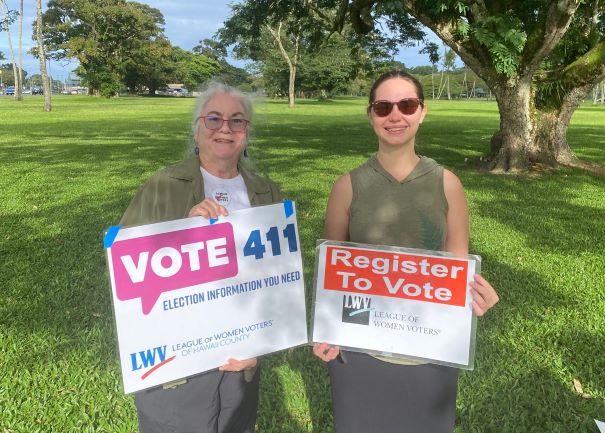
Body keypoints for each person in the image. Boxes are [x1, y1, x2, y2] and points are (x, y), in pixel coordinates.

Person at [313, 70, 499, 433]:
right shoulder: (347, 186)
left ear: (422, 112)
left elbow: (456, 268)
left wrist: (474, 294)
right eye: (383, 107)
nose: (395, 115)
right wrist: (327, 328)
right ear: (371, 115)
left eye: (407, 104)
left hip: (429, 349)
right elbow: (332, 275)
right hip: (361, 349)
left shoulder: (448, 184)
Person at [120, 81, 282, 433]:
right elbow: (125, 272)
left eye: (237, 120)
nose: (226, 128)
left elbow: (278, 275)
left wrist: (262, 341)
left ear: (247, 132)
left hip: (240, 356)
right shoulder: (162, 185)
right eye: (214, 118)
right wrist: (181, 235)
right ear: (197, 127)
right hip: (180, 361)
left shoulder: (266, 192)